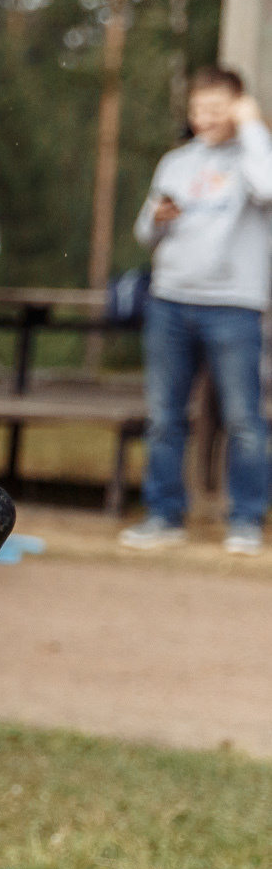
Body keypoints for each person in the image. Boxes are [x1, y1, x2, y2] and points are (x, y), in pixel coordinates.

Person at [118, 66, 272, 554]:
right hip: (169, 302)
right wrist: (156, 219)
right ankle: (164, 516)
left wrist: (252, 126)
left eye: (217, 108)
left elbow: (268, 188)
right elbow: (147, 230)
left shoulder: (255, 156)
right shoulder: (176, 162)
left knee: (244, 418)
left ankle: (246, 520)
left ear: (238, 106)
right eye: (198, 109)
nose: (205, 118)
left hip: (234, 306)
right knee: (165, 417)